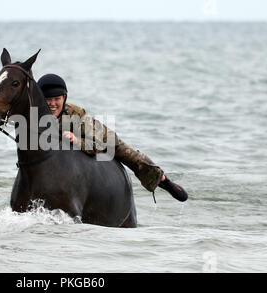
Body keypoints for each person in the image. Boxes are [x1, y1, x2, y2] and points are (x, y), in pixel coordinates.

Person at [37, 73, 188, 202]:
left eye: (56, 99)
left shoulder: (76, 113)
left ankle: (162, 180)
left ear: (64, 98)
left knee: (130, 156)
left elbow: (96, 144)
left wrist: (76, 140)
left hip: (99, 138)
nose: (52, 104)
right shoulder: (35, 114)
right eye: (47, 99)